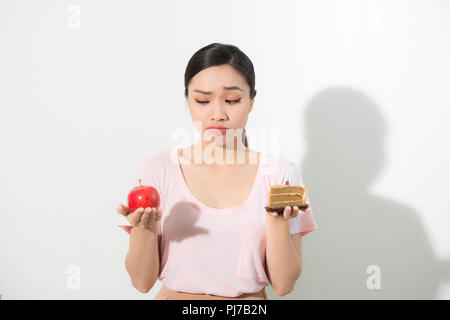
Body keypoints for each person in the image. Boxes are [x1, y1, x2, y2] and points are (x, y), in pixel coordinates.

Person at [116, 43, 318, 300]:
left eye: (232, 100)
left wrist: (277, 221)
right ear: (188, 101)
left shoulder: (280, 174)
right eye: (202, 100)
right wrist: (144, 229)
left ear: (251, 101)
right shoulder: (157, 170)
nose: (218, 114)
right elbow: (141, 282)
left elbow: (283, 285)